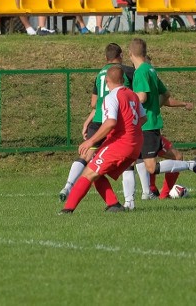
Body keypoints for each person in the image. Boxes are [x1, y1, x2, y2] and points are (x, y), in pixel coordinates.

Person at [129, 38, 196, 198]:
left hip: (147, 126)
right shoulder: (151, 70)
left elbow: (142, 97)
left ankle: (190, 165)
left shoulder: (140, 72)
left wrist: (128, 100)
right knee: (138, 160)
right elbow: (165, 95)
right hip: (148, 124)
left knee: (150, 166)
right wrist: (155, 107)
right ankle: (148, 194)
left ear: (130, 54)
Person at [59, 65, 145, 214]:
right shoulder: (132, 95)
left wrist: (90, 141)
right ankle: (113, 205)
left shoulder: (111, 97)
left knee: (88, 173)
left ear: (106, 81)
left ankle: (67, 210)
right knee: (95, 171)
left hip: (121, 143)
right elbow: (143, 118)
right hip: (136, 144)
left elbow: (110, 122)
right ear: (123, 79)